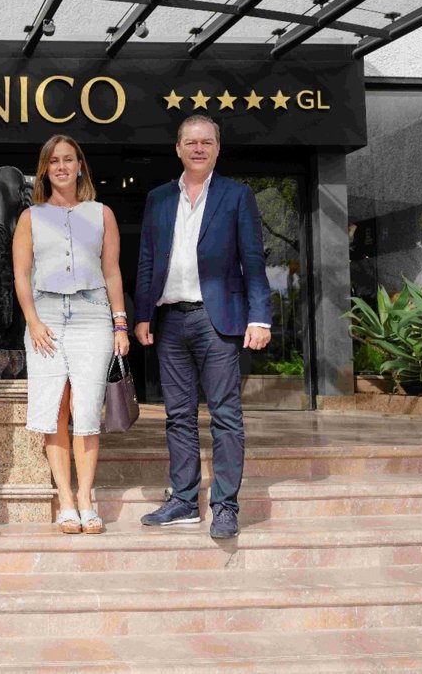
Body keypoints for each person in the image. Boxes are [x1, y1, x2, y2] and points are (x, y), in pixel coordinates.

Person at [134, 114, 272, 539]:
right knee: (178, 416)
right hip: (170, 320)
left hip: (218, 321)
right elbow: (147, 260)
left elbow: (253, 260)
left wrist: (259, 316)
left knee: (226, 415)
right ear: (178, 148)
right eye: (191, 142)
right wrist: (143, 314)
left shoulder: (236, 195)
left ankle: (225, 506)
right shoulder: (159, 198)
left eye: (206, 142)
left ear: (217, 148)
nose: (198, 148)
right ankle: (183, 500)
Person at [12, 135, 129, 535]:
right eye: (54, 161)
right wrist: (32, 321)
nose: (61, 167)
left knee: (87, 408)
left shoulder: (102, 214)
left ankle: (86, 500)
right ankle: (65, 500)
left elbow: (112, 272)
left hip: (92, 315)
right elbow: (20, 275)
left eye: (68, 159)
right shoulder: (30, 218)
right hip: (45, 316)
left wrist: (120, 324)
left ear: (80, 166)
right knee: (55, 409)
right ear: (45, 169)